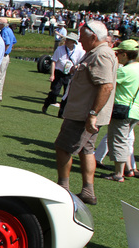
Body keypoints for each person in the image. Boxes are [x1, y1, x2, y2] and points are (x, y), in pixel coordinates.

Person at [54, 20, 118, 205]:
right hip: (86, 113)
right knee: (87, 150)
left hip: (83, 115)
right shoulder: (98, 53)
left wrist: (92, 114)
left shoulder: (101, 55)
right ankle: (87, 191)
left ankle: (62, 188)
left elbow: (106, 86)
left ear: (94, 37)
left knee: (64, 147)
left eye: (82, 36)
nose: (79, 40)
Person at [104, 39, 139, 181]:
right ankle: (129, 169)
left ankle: (118, 174)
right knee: (125, 140)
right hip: (135, 110)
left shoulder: (125, 71)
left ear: (125, 55)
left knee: (118, 140)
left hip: (123, 109)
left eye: (118, 53)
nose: (117, 56)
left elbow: (108, 81)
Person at [42, 32, 85, 114]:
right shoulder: (60, 49)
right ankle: (46, 104)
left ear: (73, 42)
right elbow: (54, 61)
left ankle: (61, 113)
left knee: (66, 94)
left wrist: (76, 68)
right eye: (67, 39)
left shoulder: (79, 51)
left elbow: (81, 62)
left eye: (69, 40)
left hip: (70, 74)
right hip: (59, 73)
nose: (67, 41)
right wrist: (52, 74)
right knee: (55, 92)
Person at [0, 17, 16, 101]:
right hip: (6, 55)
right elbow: (13, 42)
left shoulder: (5, 31)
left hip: (3, 55)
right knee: (2, 75)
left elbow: (7, 43)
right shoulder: (9, 30)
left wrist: (2, 53)